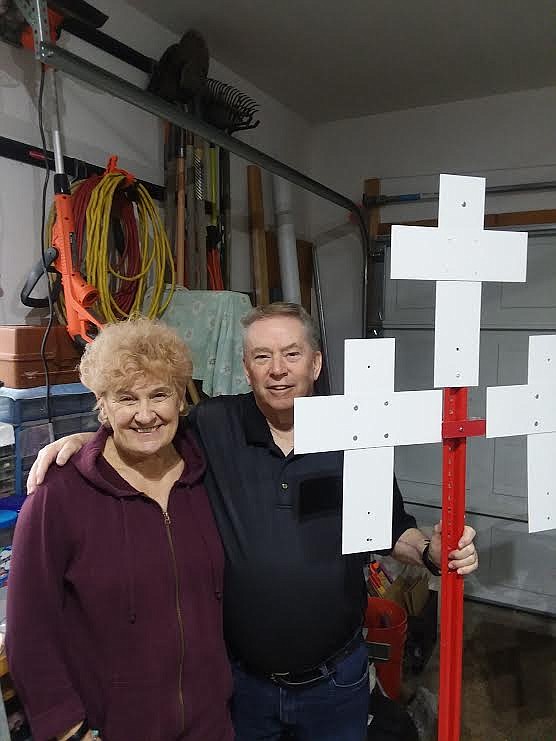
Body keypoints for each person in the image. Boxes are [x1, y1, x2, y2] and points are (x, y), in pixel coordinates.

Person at [28, 303, 478, 741]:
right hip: (244, 688)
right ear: (246, 368)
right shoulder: (213, 425)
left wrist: (430, 551)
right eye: (262, 356)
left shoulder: (355, 434)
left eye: (291, 354)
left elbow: (388, 525)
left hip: (335, 683)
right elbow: (146, 428)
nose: (277, 369)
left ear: (316, 363)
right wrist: (92, 439)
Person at [8, 319, 233, 741]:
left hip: (211, 725)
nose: (145, 415)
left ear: (181, 399)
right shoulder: (58, 496)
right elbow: (28, 629)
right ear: (102, 405)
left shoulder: (206, 477)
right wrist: (68, 730)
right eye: (126, 398)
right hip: (113, 729)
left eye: (159, 395)